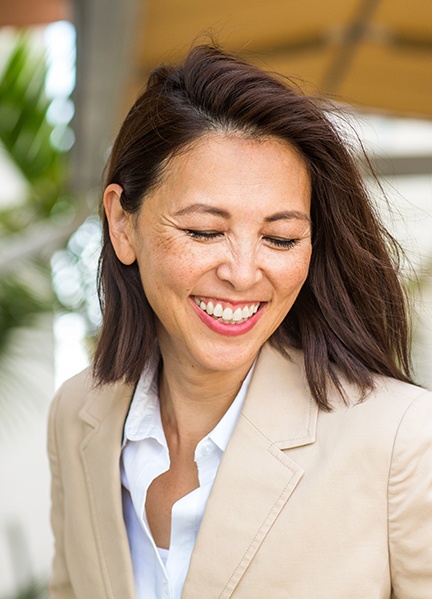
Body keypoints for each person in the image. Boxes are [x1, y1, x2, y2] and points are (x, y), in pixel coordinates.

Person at [47, 44, 432, 599]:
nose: (244, 273)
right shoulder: (76, 414)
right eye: (205, 230)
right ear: (122, 224)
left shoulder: (402, 440)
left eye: (280, 238)